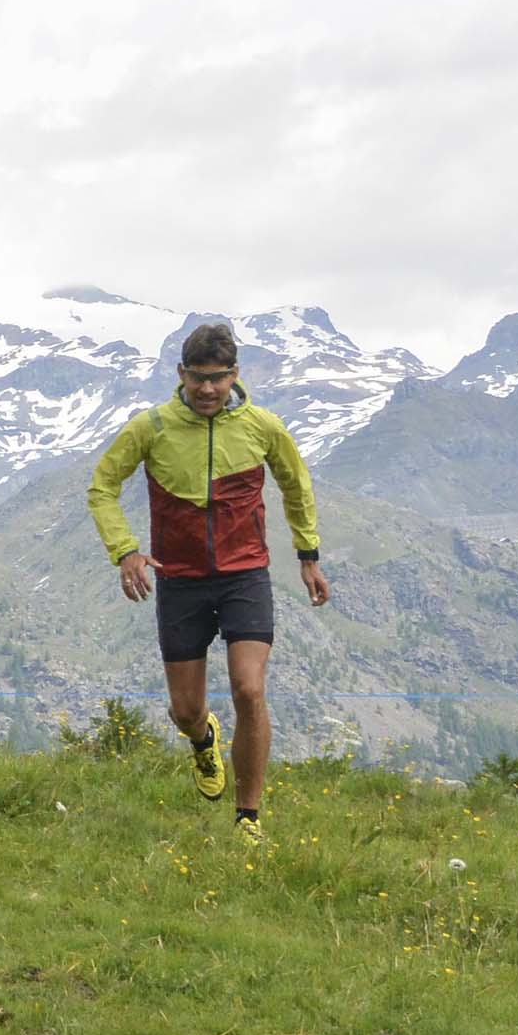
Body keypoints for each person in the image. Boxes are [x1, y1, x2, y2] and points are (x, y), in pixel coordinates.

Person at [87, 322, 330, 845]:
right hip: (181, 583)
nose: (208, 390)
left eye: (218, 379)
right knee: (187, 711)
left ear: (234, 375)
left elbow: (296, 484)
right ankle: (203, 741)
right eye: (198, 378)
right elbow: (102, 486)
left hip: (246, 574)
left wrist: (308, 556)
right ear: (180, 375)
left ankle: (248, 818)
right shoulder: (150, 428)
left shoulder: (263, 426)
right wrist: (125, 551)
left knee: (249, 688)